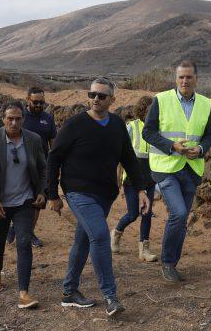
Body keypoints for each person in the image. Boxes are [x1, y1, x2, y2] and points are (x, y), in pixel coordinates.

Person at [47, 77, 150, 317]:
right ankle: (111, 297)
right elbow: (54, 158)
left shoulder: (116, 125)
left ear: (112, 100)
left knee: (84, 240)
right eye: (91, 94)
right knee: (101, 236)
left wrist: (142, 190)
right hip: (77, 192)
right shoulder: (75, 124)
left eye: (101, 96)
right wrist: (52, 193)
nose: (95, 99)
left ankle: (69, 292)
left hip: (104, 195)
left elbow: (129, 160)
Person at [143, 61, 211, 283]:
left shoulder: (205, 104)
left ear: (196, 79)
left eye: (189, 77)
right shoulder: (161, 100)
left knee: (181, 219)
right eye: (181, 77)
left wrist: (201, 148)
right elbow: (148, 132)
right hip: (166, 168)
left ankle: (172, 263)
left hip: (191, 169)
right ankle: (167, 263)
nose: (185, 81)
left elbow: (209, 135)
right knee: (179, 213)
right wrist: (172, 146)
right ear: (176, 79)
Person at [0, 101, 48, 309]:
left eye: (18, 118)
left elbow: (43, 168)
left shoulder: (33, 140)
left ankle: (24, 293)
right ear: (3, 119)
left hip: (24, 201)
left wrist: (42, 191)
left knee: (23, 241)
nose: (14, 122)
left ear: (23, 119)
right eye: (9, 118)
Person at [6, 87, 58, 247]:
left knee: (38, 202)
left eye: (42, 102)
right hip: (19, 167)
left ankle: (28, 233)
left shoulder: (48, 118)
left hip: (40, 168)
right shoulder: (20, 117)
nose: (39, 105)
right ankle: (13, 227)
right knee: (18, 199)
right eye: (35, 102)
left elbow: (53, 144)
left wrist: (53, 163)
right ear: (27, 99)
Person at [111, 96, 158, 262]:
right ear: (142, 111)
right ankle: (116, 233)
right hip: (132, 180)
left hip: (150, 179)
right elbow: (119, 154)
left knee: (147, 213)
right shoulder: (131, 127)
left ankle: (144, 250)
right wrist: (117, 176)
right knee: (133, 214)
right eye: (149, 110)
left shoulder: (157, 130)